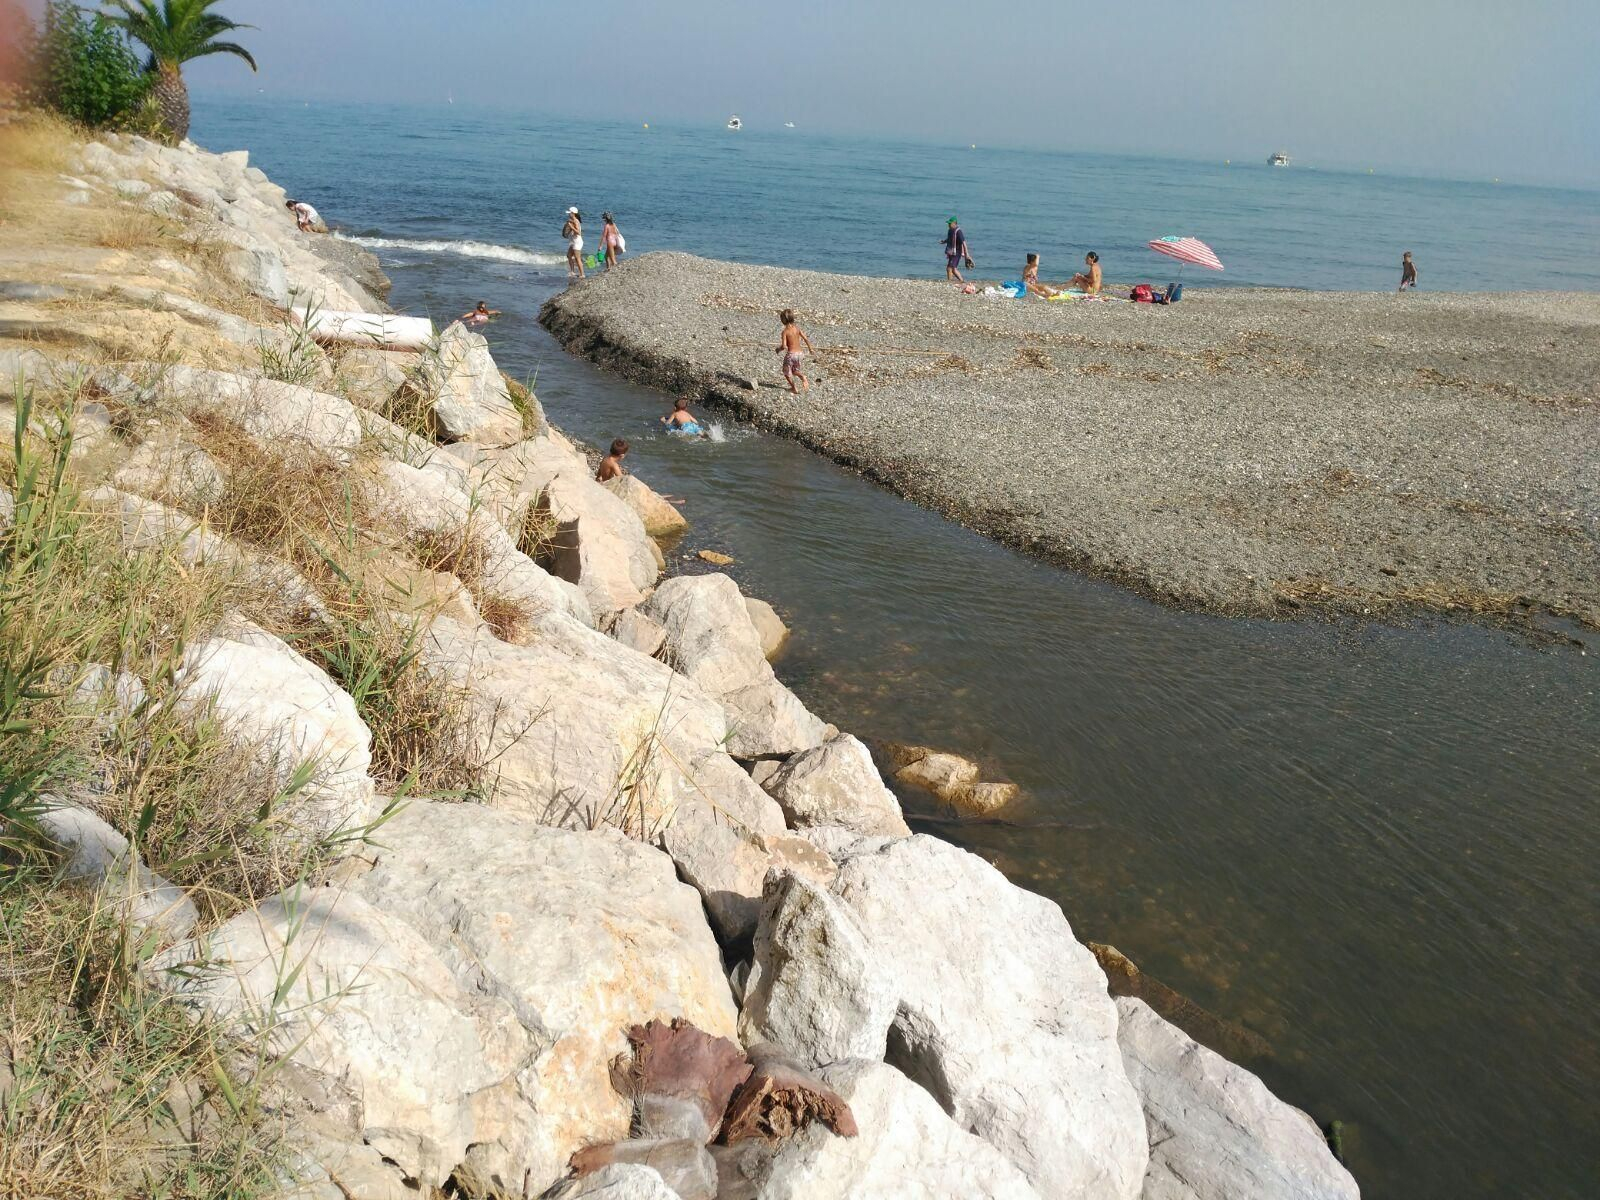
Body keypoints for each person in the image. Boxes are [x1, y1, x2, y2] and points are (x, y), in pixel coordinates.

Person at [776, 308, 813, 394]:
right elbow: (806, 338)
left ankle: (794, 388)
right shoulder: (797, 328)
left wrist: (778, 349)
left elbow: (784, 346)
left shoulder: (785, 332)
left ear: (783, 320)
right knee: (795, 370)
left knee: (786, 372)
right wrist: (810, 348)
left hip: (791, 355)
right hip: (800, 354)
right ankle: (803, 377)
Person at [943, 217, 973, 282]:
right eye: (948, 224)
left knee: (951, 268)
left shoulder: (958, 231)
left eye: (950, 224)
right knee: (951, 269)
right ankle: (956, 281)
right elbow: (949, 239)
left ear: (954, 223)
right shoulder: (950, 230)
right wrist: (944, 241)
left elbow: (964, 243)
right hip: (951, 252)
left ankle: (955, 281)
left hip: (957, 253)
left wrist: (966, 254)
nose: (948, 225)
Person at [563, 207, 585, 280]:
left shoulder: (576, 221)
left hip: (577, 242)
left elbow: (578, 232)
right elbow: (569, 231)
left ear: (573, 213)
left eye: (570, 213)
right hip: (573, 242)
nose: (569, 214)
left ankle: (582, 274)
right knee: (569, 255)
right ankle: (572, 272)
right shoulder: (572, 220)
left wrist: (571, 227)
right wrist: (566, 233)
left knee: (577, 258)